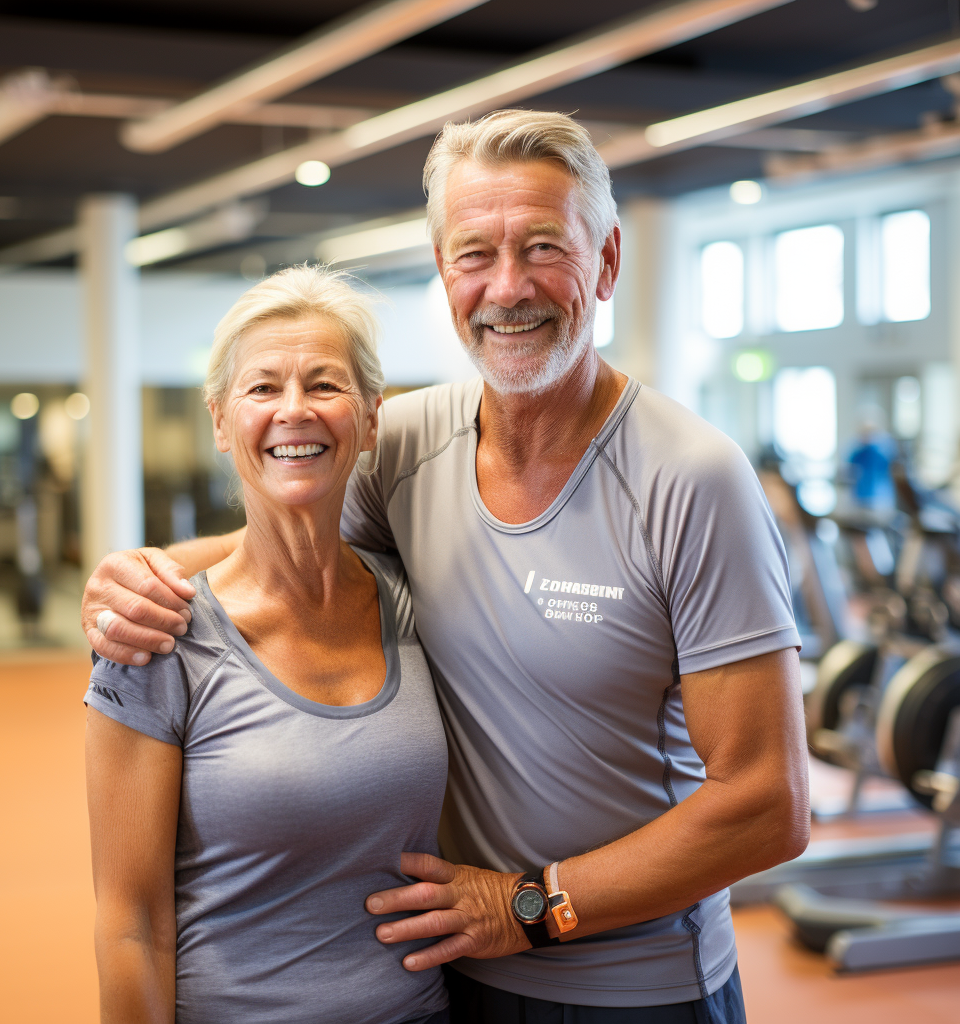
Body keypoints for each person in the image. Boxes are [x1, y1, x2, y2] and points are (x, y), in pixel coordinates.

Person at [83, 110, 810, 1023]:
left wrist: (528, 907)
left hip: (635, 992)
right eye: (475, 255)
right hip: (453, 981)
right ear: (443, 272)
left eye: (544, 247)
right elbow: (279, 539)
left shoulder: (693, 479)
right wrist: (137, 573)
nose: (508, 287)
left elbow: (767, 803)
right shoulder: (407, 444)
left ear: (609, 261)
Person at [83, 266, 449, 1024]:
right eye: (262, 388)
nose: (294, 410)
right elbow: (130, 928)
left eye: (324, 384)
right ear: (220, 421)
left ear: (371, 418)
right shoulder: (158, 634)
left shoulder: (416, 600)